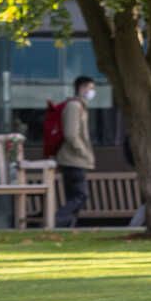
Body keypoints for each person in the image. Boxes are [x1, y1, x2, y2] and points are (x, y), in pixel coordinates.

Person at [48, 73, 97, 228]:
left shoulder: (79, 106)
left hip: (75, 159)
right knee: (80, 195)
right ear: (81, 88)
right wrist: (82, 151)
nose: (92, 92)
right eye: (90, 88)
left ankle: (67, 225)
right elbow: (71, 134)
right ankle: (56, 220)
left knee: (74, 196)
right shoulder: (74, 106)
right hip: (73, 159)